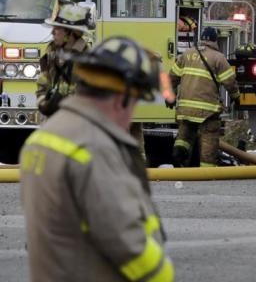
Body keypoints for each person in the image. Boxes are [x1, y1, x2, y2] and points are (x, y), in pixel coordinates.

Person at [19, 37, 174, 282]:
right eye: (134, 103)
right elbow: (123, 241)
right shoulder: (93, 147)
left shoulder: (45, 137)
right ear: (120, 97)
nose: (132, 114)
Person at [170, 26, 238, 167]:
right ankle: (206, 170)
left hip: (185, 108)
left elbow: (172, 77)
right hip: (207, 110)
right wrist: (236, 96)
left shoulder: (186, 54)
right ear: (215, 40)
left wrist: (170, 96)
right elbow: (230, 82)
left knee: (185, 133)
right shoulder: (218, 58)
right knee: (209, 138)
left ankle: (178, 153)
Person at [35, 0, 94, 117]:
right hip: (52, 118)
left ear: (70, 33)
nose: (52, 32)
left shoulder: (87, 59)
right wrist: (43, 103)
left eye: (57, 29)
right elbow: (43, 83)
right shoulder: (51, 52)